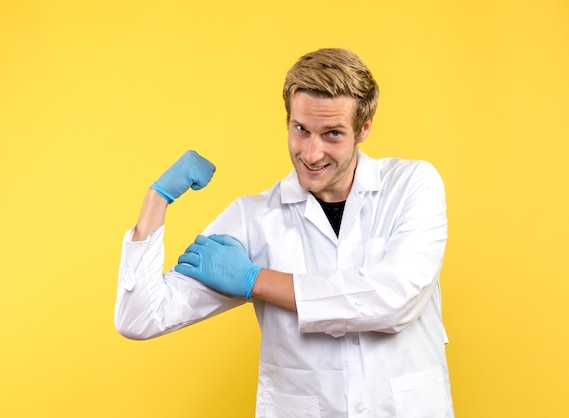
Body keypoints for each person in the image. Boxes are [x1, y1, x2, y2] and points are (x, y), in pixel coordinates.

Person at [115, 48, 454, 417]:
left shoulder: (412, 186)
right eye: (301, 130)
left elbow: (393, 301)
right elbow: (140, 317)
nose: (311, 153)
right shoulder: (254, 219)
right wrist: (157, 198)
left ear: (365, 127)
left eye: (333, 134)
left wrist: (255, 279)